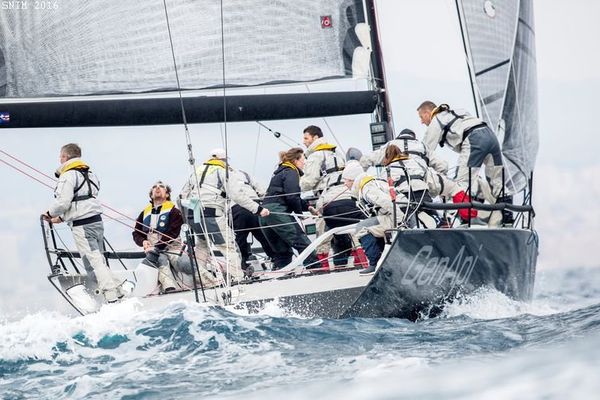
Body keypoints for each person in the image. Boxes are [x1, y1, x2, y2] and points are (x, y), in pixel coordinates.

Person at [42, 143, 126, 302]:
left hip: (82, 225)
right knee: (98, 259)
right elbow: (83, 201)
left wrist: (48, 213)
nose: (59, 159)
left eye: (60, 156)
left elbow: (63, 202)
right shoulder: (91, 174)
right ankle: (120, 290)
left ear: (65, 157)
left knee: (93, 263)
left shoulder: (68, 175)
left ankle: (111, 296)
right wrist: (59, 219)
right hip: (97, 222)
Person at [180, 148, 270, 284]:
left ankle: (200, 278)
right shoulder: (223, 171)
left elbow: (181, 197)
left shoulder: (196, 172)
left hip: (193, 215)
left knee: (202, 244)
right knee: (229, 247)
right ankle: (238, 279)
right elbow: (237, 195)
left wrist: (186, 220)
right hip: (212, 214)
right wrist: (258, 209)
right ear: (224, 160)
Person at [417, 101, 508, 225]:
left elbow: (425, 149)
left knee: (461, 184)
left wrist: (416, 166)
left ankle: (463, 219)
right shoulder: (456, 112)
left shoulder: (437, 120)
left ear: (428, 113)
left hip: (474, 139)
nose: (421, 122)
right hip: (490, 135)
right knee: (497, 181)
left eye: (421, 117)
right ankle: (508, 216)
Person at [300, 125, 367, 268]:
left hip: (328, 197)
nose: (304, 142)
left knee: (323, 231)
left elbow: (310, 181)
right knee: (354, 229)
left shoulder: (315, 156)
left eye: (306, 138)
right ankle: (362, 261)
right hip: (347, 195)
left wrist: (297, 183)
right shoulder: (337, 154)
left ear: (315, 138)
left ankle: (322, 267)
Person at [342, 161, 407, 275]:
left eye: (346, 180)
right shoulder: (372, 182)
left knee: (361, 227)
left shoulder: (367, 188)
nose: (344, 184)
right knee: (371, 226)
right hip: (399, 213)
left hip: (398, 216)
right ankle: (385, 261)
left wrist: (401, 223)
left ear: (352, 179)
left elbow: (388, 202)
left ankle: (375, 264)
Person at [260, 148, 318, 270]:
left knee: (283, 252)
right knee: (304, 244)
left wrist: (308, 207)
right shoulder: (291, 171)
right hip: (277, 212)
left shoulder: (279, 173)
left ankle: (283, 278)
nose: (304, 163)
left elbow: (287, 195)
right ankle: (316, 270)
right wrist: (300, 214)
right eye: (303, 159)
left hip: (264, 215)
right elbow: (292, 196)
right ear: (295, 160)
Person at [132, 181, 182, 293]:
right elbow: (136, 233)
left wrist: (157, 247)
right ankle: (169, 288)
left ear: (167, 194)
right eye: (154, 187)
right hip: (154, 250)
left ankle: (212, 281)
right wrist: (143, 241)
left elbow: (173, 233)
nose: (157, 188)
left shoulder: (174, 211)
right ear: (151, 195)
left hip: (173, 248)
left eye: (161, 187)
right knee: (160, 259)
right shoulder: (144, 213)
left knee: (183, 263)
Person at [231, 168, 275, 273]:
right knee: (263, 236)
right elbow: (262, 191)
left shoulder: (220, 176)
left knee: (240, 240)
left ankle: (243, 266)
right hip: (255, 206)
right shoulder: (244, 173)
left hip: (236, 209)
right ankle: (276, 259)